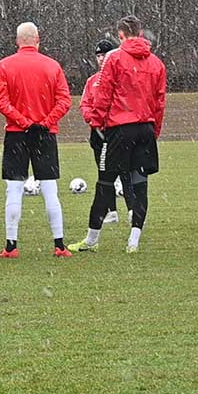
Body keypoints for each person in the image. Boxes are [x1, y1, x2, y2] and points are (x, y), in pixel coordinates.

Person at [69, 16, 166, 255]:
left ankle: (92, 239)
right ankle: (134, 240)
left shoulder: (115, 58)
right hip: (145, 128)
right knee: (140, 185)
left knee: (104, 183)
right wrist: (155, 130)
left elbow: (104, 93)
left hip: (120, 129)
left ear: (120, 34)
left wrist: (97, 121)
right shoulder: (156, 63)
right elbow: (159, 101)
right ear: (141, 32)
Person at [0, 22, 73, 259]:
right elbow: (65, 100)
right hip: (45, 135)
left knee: (14, 190)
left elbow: (3, 103)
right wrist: (45, 123)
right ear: (38, 39)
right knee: (50, 190)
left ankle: (11, 245)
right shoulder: (52, 66)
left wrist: (24, 122)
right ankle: (59, 244)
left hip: (17, 134)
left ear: (17, 41)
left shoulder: (5, 65)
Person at [79, 39, 134, 226]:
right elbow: (85, 103)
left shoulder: (122, 78)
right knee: (104, 173)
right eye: (99, 55)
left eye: (105, 55)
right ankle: (111, 211)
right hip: (98, 133)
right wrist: (92, 118)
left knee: (126, 171)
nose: (101, 59)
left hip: (117, 131)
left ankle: (132, 209)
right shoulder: (92, 81)